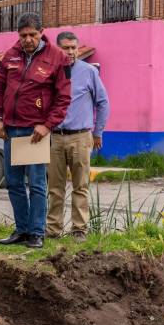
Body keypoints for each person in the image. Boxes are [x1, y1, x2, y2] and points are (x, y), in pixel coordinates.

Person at [0, 12, 72, 249]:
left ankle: (37, 232)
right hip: (10, 130)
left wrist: (47, 125)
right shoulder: (10, 56)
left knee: (36, 184)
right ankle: (22, 229)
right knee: (14, 183)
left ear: (42, 32)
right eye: (23, 35)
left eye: (32, 35)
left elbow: (63, 98)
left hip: (34, 133)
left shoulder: (58, 58)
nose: (27, 39)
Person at [46, 31, 110, 242]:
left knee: (80, 187)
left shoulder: (89, 72)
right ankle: (53, 229)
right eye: (66, 47)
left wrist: (97, 132)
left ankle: (79, 230)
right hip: (54, 137)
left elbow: (103, 103)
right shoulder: (49, 71)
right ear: (57, 49)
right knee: (54, 187)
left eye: (74, 47)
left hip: (81, 137)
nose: (71, 52)